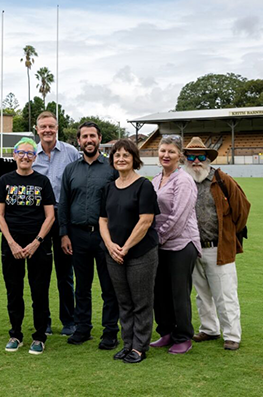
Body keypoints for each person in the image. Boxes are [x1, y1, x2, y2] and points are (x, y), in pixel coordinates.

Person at [182, 137, 250, 351]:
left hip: (218, 247)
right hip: (193, 247)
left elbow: (242, 210)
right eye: (191, 157)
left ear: (207, 159)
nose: (196, 161)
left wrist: (229, 235)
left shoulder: (222, 179)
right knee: (202, 293)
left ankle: (232, 334)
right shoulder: (183, 181)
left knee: (225, 293)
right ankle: (209, 329)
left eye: (201, 157)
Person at [58, 121, 120, 349]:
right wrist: (64, 234)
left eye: (92, 136)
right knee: (82, 287)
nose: (89, 140)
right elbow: (63, 203)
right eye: (84, 137)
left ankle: (110, 332)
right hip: (77, 236)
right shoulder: (71, 170)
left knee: (108, 286)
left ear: (99, 138)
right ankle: (82, 328)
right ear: (79, 141)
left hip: (105, 236)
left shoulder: (111, 168)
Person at [99, 139, 160, 364]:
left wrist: (125, 248)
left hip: (140, 253)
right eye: (117, 155)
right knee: (123, 302)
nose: (121, 159)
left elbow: (146, 221)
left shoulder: (144, 186)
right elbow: (102, 220)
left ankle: (139, 347)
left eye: (126, 155)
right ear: (112, 160)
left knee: (141, 301)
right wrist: (110, 246)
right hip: (114, 254)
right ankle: (127, 344)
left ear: (135, 159)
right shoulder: (108, 188)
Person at [0, 137, 55, 355]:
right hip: (11, 244)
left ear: (35, 157)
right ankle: (15, 335)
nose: (25, 157)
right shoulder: (5, 180)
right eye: (21, 152)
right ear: (14, 155)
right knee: (14, 291)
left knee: (39, 291)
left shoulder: (42, 182)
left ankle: (39, 337)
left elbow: (50, 216)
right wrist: (11, 242)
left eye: (30, 153)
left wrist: (36, 243)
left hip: (38, 244)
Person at [150, 136, 201, 355]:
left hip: (181, 244)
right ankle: (167, 332)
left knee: (178, 293)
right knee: (159, 292)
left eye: (171, 151)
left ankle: (183, 336)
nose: (166, 155)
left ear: (179, 155)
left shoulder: (184, 180)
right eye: (162, 150)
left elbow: (178, 217)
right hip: (159, 246)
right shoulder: (155, 180)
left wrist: (158, 237)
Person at [32, 111, 80, 336]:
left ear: (57, 127)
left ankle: (69, 321)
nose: (47, 130)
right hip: (39, 219)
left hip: (64, 218)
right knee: (40, 273)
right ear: (37, 129)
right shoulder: (30, 153)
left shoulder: (70, 152)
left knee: (65, 274)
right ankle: (44, 321)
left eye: (51, 126)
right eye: (43, 127)